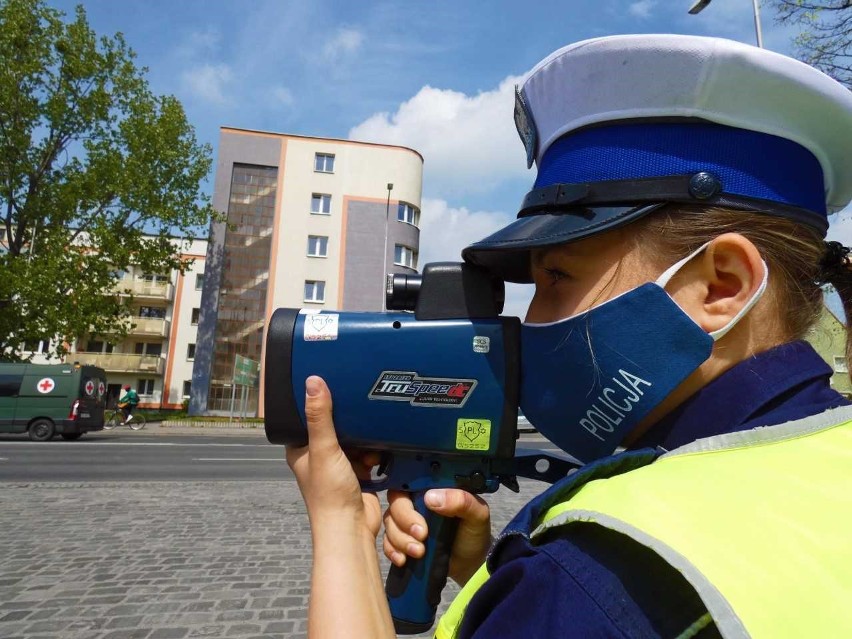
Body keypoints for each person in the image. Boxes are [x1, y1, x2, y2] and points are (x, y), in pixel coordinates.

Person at [286, 34, 852, 638]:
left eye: (558, 276)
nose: (533, 322)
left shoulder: (591, 574)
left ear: (720, 287)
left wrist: (343, 522)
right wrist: (498, 584)